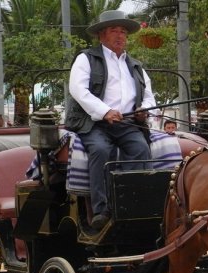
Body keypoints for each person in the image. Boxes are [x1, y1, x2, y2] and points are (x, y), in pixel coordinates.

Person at [66, 10, 156, 230]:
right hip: (94, 123)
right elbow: (78, 89)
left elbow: (149, 97)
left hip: (127, 124)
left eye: (123, 31)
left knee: (141, 149)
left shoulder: (135, 66)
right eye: (114, 30)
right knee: (100, 150)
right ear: (101, 35)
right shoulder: (86, 58)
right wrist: (105, 111)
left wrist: (144, 110)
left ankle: (132, 204)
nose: (120, 36)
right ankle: (101, 209)